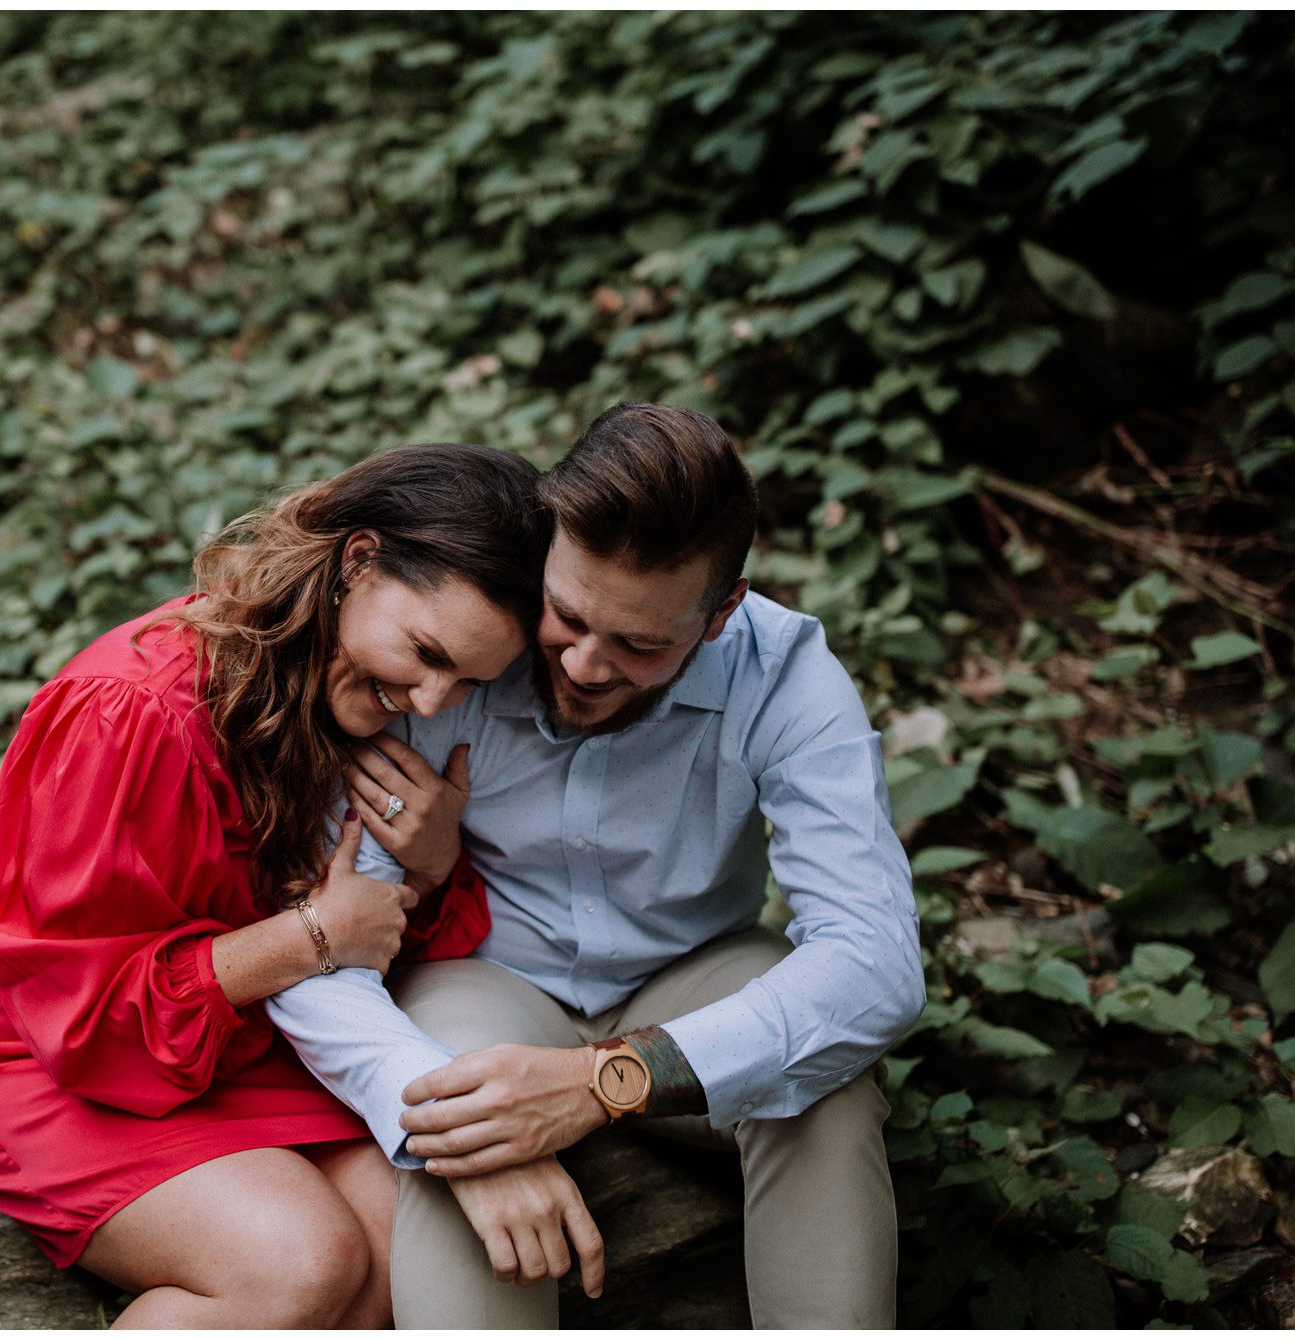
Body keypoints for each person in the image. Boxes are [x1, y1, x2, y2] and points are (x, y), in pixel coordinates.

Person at [269, 403, 926, 1328]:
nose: (583, 662)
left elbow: (875, 964)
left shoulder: (782, 673)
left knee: (822, 1090)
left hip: (694, 971)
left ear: (720, 614)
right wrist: (444, 1123)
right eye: (567, 615)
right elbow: (320, 954)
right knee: (458, 1109)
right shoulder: (456, 641)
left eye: (641, 644)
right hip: (486, 974)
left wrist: (601, 1082)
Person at [0, 442, 550, 1329]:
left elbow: (383, 945)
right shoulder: (132, 713)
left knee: (402, 1243)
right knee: (302, 1263)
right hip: (45, 1058)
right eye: (426, 652)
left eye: (467, 680)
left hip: (242, 1044)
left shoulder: (352, 692)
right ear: (357, 561)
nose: (435, 700)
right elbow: (81, 1012)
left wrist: (432, 858)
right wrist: (309, 938)